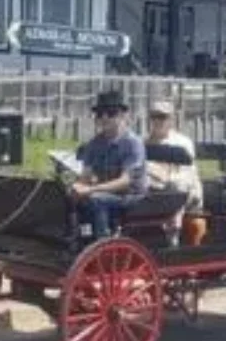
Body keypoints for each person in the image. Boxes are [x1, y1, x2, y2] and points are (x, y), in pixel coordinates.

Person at [72, 90, 148, 240]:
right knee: (71, 196)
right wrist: (77, 187)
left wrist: (90, 189)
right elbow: (85, 175)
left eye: (111, 113)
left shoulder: (133, 143)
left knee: (96, 199)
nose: (104, 117)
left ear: (123, 116)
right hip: (107, 193)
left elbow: (125, 182)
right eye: (100, 114)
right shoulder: (94, 144)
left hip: (132, 197)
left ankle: (103, 243)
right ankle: (78, 237)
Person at [144, 100, 205, 247]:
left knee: (175, 187)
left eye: (162, 117)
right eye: (154, 117)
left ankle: (173, 237)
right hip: (154, 188)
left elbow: (187, 176)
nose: (158, 121)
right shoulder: (143, 142)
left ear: (171, 120)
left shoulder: (182, 143)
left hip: (185, 191)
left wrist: (162, 178)